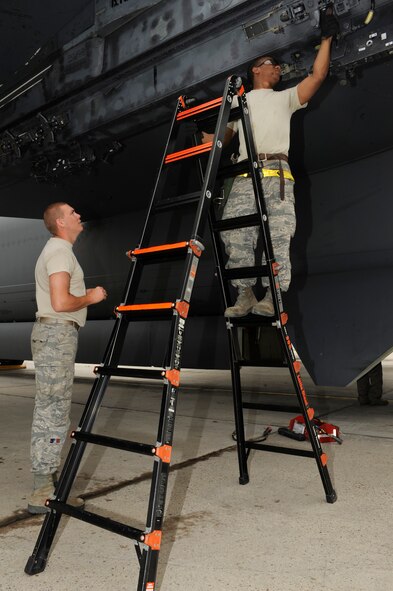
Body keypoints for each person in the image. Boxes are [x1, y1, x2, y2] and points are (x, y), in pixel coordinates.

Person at [203, 9, 339, 317]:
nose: (277, 68)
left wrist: (327, 38)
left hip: (276, 175)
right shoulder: (240, 103)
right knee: (234, 236)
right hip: (243, 177)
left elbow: (318, 76)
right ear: (255, 70)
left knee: (278, 234)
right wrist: (205, 136)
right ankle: (246, 294)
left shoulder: (286, 98)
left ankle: (273, 296)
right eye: (271, 65)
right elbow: (219, 138)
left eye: (277, 65)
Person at [28, 202, 108, 514]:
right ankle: (42, 489)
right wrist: (92, 296)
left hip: (56, 335)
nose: (79, 215)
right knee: (53, 411)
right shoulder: (59, 251)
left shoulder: (58, 250)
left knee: (53, 409)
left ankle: (50, 483)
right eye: (73, 212)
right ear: (61, 221)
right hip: (56, 334)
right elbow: (61, 302)